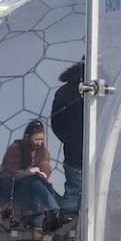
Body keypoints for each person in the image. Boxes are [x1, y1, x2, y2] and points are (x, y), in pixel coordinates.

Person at [0, 120, 61, 227]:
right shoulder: (16, 148)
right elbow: (11, 172)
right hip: (14, 187)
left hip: (33, 189)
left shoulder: (42, 152)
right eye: (36, 139)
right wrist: (29, 173)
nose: (39, 142)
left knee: (37, 195)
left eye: (41, 139)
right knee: (35, 181)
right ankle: (56, 210)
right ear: (27, 137)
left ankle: (37, 230)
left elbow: (45, 166)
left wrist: (43, 173)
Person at [50, 60, 84, 214]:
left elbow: (56, 123)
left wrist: (69, 140)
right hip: (92, 154)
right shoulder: (103, 90)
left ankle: (66, 231)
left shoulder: (63, 92)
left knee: (73, 192)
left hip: (72, 153)